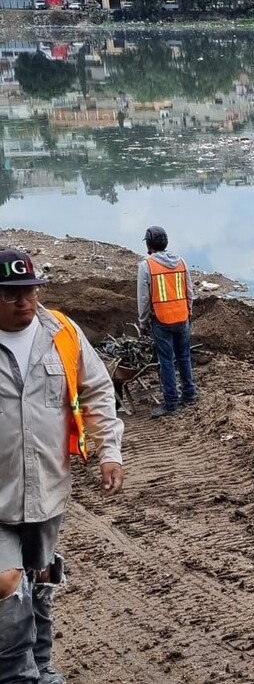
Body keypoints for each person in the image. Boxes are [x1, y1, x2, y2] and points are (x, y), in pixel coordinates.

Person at [0, 248, 124, 684]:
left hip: (48, 488)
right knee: (6, 580)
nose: (24, 300)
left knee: (41, 577)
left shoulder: (63, 334)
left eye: (29, 290)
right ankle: (17, 674)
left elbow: (96, 391)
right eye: (11, 293)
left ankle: (43, 664)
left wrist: (110, 451)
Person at [137, 226, 196, 418]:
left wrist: (143, 323)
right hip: (182, 318)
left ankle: (171, 402)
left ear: (148, 244)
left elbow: (144, 299)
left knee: (167, 362)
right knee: (184, 357)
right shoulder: (181, 262)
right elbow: (189, 291)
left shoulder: (146, 265)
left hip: (162, 320)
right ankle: (189, 394)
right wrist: (188, 311)